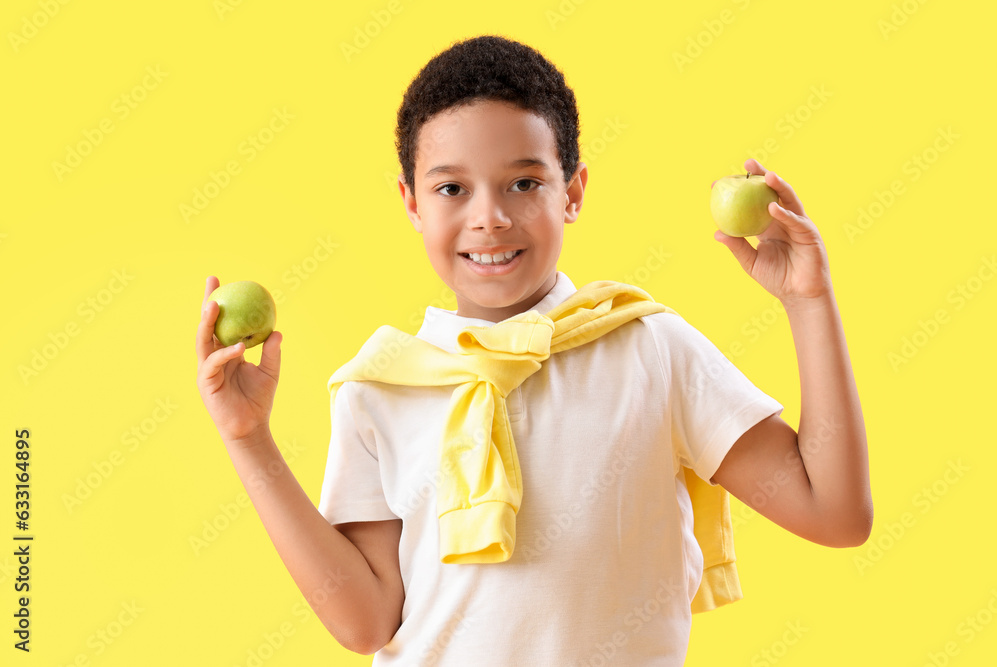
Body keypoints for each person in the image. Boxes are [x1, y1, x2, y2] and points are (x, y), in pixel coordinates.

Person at [195, 34, 872, 666]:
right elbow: (367, 620)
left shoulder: (648, 347)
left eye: (524, 183)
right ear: (411, 203)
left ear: (572, 191)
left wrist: (807, 301)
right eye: (451, 188)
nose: (488, 216)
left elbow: (834, 512)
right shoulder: (382, 387)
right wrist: (248, 436)